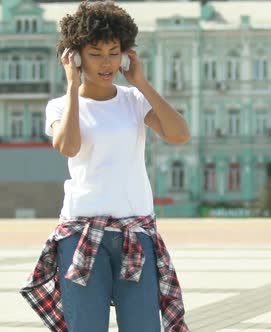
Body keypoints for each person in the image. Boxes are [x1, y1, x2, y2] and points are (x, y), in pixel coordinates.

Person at [20, 2, 190, 332]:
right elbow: (68, 146)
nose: (107, 62)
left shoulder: (135, 101)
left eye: (114, 52)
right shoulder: (60, 106)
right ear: (76, 55)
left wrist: (141, 83)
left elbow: (179, 134)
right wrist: (71, 86)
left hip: (135, 232)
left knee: (142, 327)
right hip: (81, 233)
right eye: (96, 53)